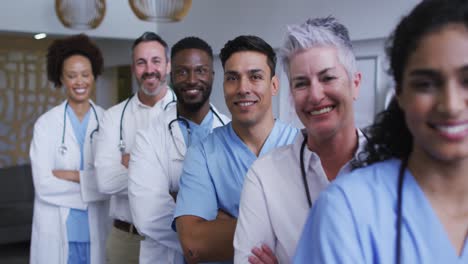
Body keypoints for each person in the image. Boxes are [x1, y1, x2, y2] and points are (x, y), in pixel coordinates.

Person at [294, 0, 468, 263]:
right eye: (426, 84)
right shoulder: (346, 210)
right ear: (399, 93)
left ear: (355, 84)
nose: (451, 106)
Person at [233, 17, 364, 264]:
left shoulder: (394, 166)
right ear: (291, 95)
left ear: (355, 84)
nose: (315, 95)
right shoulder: (265, 177)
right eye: (301, 83)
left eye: (328, 78)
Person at [174, 35, 299, 263]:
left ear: (274, 85)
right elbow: (194, 244)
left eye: (255, 77)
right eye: (233, 78)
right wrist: (285, 227)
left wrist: (224, 223)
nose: (243, 88)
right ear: (224, 86)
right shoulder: (203, 153)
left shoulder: (300, 146)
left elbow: (320, 231)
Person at [128, 36, 230, 264]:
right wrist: (213, 230)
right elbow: (148, 214)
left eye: (201, 70)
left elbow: (242, 205)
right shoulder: (149, 137)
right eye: (183, 72)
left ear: (212, 75)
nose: (192, 80)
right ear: (171, 76)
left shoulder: (231, 131)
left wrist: (181, 201)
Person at [94, 32, 175, 264]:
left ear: (168, 66)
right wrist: (162, 166)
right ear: (133, 68)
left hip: (173, 236)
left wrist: (133, 161)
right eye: (141, 62)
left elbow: (188, 179)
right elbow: (106, 181)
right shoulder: (113, 117)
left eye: (156, 61)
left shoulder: (185, 113)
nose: (149, 69)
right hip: (125, 239)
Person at [29, 34, 110, 264]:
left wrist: (72, 176)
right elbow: (44, 185)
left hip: (96, 228)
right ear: (61, 79)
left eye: (85, 75)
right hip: (57, 228)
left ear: (94, 76)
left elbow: (111, 184)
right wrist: (92, 185)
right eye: (71, 76)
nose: (79, 82)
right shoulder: (46, 124)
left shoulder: (107, 121)